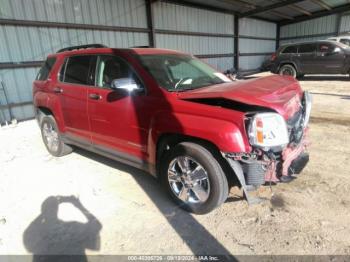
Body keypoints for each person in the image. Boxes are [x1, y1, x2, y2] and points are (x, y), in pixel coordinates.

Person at [23, 196, 102, 262]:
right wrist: (77, 204)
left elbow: (29, 233)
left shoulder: (38, 234)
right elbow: (96, 225)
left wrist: (44, 213)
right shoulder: (70, 229)